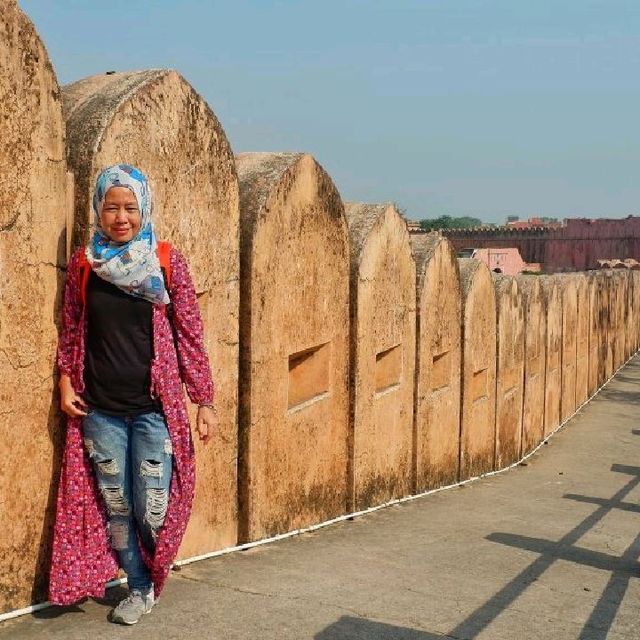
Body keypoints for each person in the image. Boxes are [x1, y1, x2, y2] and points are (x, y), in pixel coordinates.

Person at [48, 163, 217, 625]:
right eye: (111, 207)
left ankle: (153, 569)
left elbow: (189, 332)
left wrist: (204, 400)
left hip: (152, 412)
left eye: (129, 207)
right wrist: (66, 380)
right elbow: (72, 328)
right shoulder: (86, 264)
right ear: (98, 210)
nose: (120, 217)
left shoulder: (164, 261)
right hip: (100, 410)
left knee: (153, 505)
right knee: (116, 505)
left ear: (144, 208)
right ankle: (139, 586)